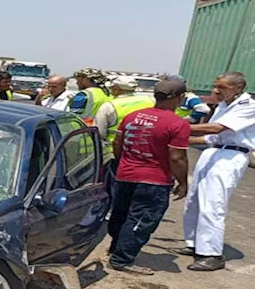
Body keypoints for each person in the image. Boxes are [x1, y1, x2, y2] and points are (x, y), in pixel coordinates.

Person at [108, 79, 190, 275]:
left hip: (125, 174)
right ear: (180, 98)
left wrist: (123, 163)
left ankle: (115, 248)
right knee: (141, 220)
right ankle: (121, 260)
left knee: (121, 214)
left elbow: (117, 143)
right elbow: (177, 157)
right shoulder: (178, 124)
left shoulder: (133, 116)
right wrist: (183, 183)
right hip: (154, 180)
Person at [178, 72, 255, 271]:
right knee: (194, 200)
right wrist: (181, 140)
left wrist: (176, 126)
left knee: (213, 203)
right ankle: (195, 243)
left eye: (221, 87)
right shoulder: (222, 105)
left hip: (231, 156)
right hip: (213, 152)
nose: (216, 91)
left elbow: (216, 129)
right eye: (215, 86)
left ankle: (212, 254)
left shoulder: (248, 106)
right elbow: (211, 138)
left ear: (238, 88)